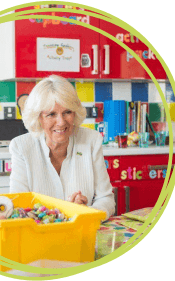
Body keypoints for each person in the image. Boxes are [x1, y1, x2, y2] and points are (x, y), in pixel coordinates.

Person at [9, 75, 115, 220]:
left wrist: (88, 213)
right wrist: (65, 212)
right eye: (51, 114)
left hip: (82, 232)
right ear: (38, 117)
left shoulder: (91, 140)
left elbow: (107, 199)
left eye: (67, 112)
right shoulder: (21, 146)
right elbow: (19, 208)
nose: (61, 122)